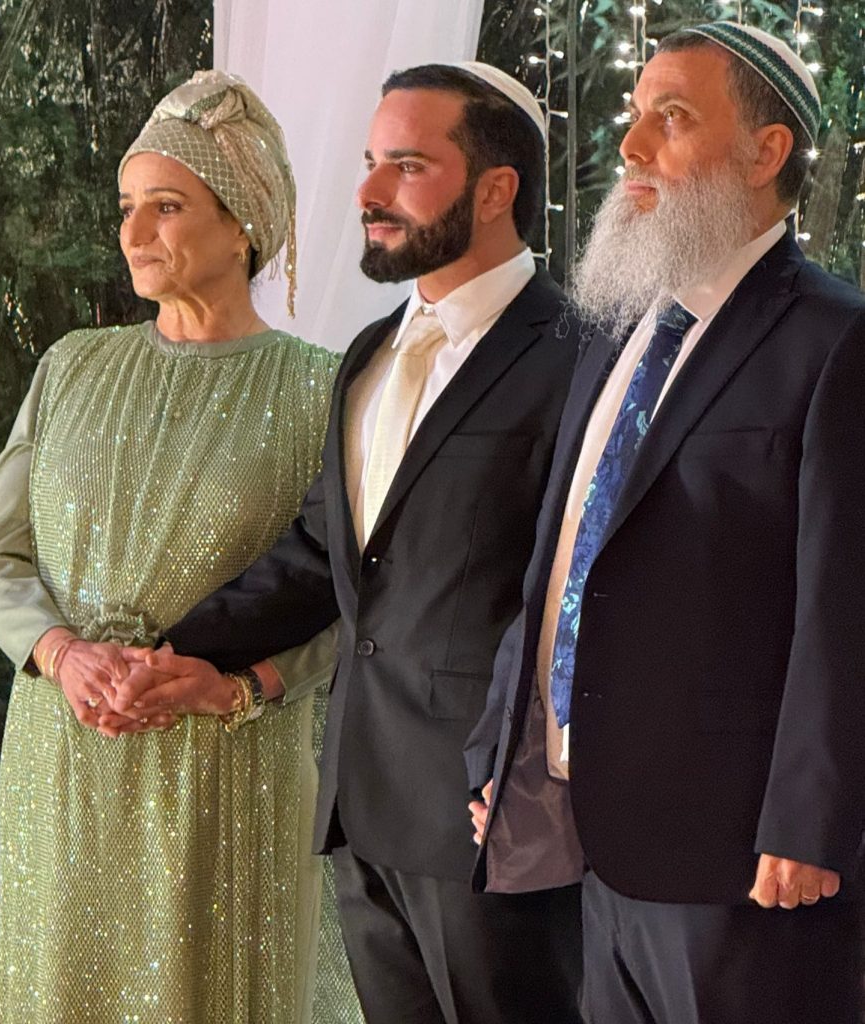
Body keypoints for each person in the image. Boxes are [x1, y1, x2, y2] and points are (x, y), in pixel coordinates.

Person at [133, 62, 587, 1024]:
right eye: (371, 162)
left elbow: (583, 592)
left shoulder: (583, 355)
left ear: (496, 191)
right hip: (360, 805)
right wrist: (170, 653)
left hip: (493, 818)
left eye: (407, 167)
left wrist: (536, 775)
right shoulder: (370, 354)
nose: (369, 192)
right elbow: (321, 555)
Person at [467, 21, 865, 1024]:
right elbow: (564, 555)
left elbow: (843, 606)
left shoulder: (834, 341)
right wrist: (499, 749)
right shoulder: (615, 329)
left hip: (742, 858)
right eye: (633, 114)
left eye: (672, 118)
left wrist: (809, 821)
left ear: (764, 152)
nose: (631, 146)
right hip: (593, 836)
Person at [0, 70, 345, 1023]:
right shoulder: (71, 368)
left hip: (228, 768)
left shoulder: (325, 391)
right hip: (66, 758)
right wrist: (61, 653)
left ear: (243, 222)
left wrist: (241, 688)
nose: (133, 233)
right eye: (127, 207)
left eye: (165, 206)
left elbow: (363, 598)